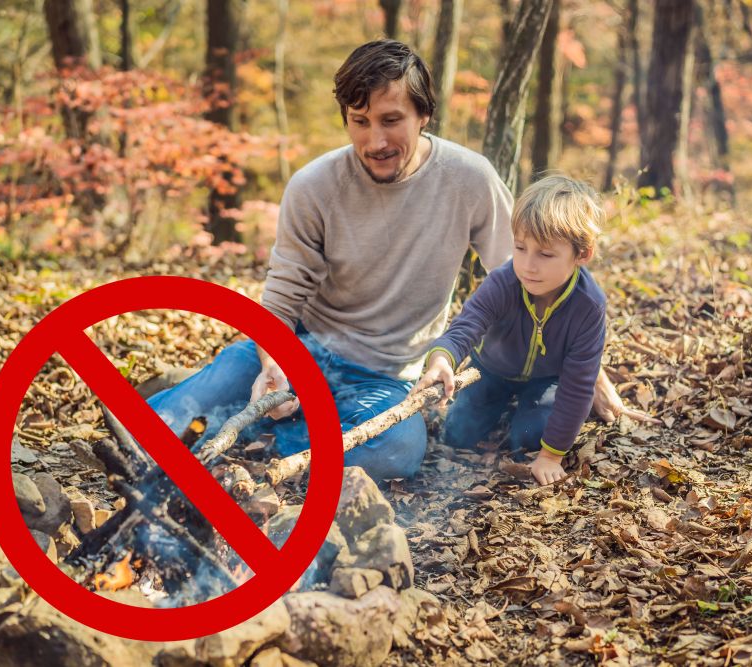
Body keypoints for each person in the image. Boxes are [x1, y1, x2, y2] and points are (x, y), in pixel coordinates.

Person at [145, 40, 647, 481]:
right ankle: (216, 415)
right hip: (305, 350)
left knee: (400, 451)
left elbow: (528, 275)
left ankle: (274, 442)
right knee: (154, 424)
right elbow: (280, 297)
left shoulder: (469, 179)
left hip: (388, 377)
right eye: (359, 122)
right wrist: (273, 366)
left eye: (391, 121)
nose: (375, 142)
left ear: (423, 114)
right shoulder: (312, 186)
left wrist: (590, 372)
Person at [410, 176, 607, 485]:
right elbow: (468, 324)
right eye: (520, 248)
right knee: (459, 433)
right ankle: (497, 405)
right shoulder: (504, 282)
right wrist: (442, 360)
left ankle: (530, 411)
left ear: (582, 254)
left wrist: (551, 456)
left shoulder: (589, 306)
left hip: (545, 378)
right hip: (489, 370)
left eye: (545, 254)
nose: (528, 265)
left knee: (532, 436)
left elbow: (579, 383)